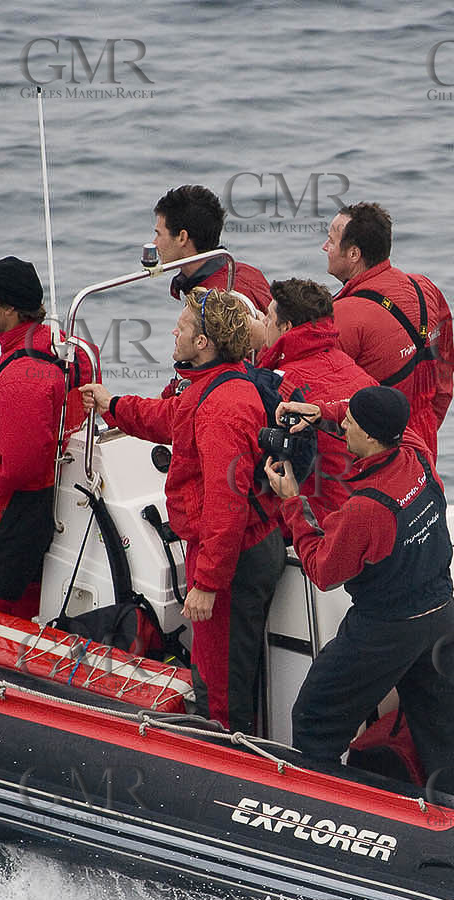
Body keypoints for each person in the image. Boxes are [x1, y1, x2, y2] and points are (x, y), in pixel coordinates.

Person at [80, 290, 285, 732]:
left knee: (222, 680)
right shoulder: (220, 385)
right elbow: (170, 416)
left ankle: (231, 759)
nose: (174, 331)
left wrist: (208, 583)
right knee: (231, 666)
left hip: (233, 558)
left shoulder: (221, 410)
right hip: (247, 545)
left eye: (183, 328)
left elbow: (225, 507)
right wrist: (113, 406)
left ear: (203, 343)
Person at [265, 386, 454, 802]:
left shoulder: (365, 509)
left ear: (370, 436)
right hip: (440, 614)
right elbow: (352, 410)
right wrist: (321, 413)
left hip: (386, 630)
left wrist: (293, 502)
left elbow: (323, 571)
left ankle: (319, 813)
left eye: (349, 423)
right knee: (446, 730)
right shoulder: (416, 450)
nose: (342, 423)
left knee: (315, 716)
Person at [0, 256, 94, 635]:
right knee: (19, 618)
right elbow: (41, 439)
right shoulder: (63, 354)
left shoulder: (21, 379)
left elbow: (19, 469)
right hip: (44, 511)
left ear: (8, 308)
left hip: (10, 520)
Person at [323, 202, 454, 460]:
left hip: (371, 453)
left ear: (353, 254)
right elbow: (444, 375)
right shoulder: (425, 287)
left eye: (331, 240)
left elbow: (322, 397)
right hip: (423, 440)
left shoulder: (341, 316)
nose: (325, 247)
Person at [255, 278, 377, 521]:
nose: (262, 322)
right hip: (373, 506)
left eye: (268, 317)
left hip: (324, 520)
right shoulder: (356, 371)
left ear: (286, 327)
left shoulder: (279, 386)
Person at [154, 184, 272, 313]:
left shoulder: (213, 304)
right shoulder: (249, 272)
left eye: (159, 234)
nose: (155, 243)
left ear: (182, 237)